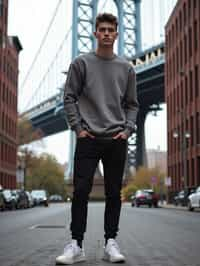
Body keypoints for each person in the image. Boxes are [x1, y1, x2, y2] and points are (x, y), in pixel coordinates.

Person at [56, 13, 138, 265]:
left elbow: (132, 104)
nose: (105, 33)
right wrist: (78, 128)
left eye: (110, 30)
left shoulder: (127, 68)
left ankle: (110, 243)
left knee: (114, 193)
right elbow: (68, 97)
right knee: (80, 192)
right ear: (94, 33)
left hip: (116, 139)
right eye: (101, 29)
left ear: (116, 34)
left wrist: (128, 130)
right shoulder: (80, 64)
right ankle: (76, 245)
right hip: (88, 137)